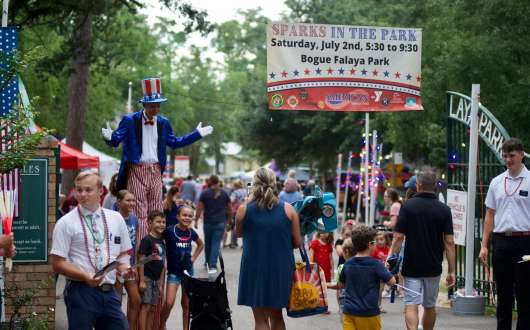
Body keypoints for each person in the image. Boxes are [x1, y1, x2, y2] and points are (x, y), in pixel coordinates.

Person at [102, 77, 213, 225]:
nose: (156, 109)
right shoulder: (130, 120)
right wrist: (109, 137)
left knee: (156, 210)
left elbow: (174, 143)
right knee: (138, 209)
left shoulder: (163, 123)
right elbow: (116, 140)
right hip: (137, 169)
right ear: (145, 104)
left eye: (158, 105)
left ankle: (155, 245)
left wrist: (196, 134)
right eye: (153, 106)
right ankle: (141, 246)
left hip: (155, 170)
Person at [50, 171, 132, 330]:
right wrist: (84, 276)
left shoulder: (116, 218)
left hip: (110, 292)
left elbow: (123, 254)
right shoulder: (65, 222)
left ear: (101, 191)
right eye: (78, 190)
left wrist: (124, 269)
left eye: (88, 190)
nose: (82, 194)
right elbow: (57, 264)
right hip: (80, 292)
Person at [388, 170, 455, 330]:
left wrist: (391, 259)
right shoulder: (444, 210)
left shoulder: (408, 206)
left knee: (411, 305)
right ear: (435, 187)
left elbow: (398, 238)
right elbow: (450, 242)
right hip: (433, 265)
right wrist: (452, 271)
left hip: (412, 265)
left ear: (418, 185)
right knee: (430, 306)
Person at [236, 167, 302, 330]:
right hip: (280, 268)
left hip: (254, 267)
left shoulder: (244, 209)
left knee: (259, 319)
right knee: (277, 316)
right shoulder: (288, 209)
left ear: (255, 185)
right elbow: (297, 243)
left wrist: (248, 200)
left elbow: (238, 234)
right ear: (275, 184)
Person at [479, 138, 530, 330]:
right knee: (504, 294)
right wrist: (484, 245)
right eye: (505, 156)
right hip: (501, 242)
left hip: (525, 242)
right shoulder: (496, 182)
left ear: (521, 155)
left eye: (512, 155)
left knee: (525, 294)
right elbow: (490, 215)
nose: (508, 160)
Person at [339, 225, 396, 330]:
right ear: (370, 245)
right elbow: (392, 281)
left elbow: (341, 285)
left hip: (349, 311)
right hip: (369, 313)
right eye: (375, 242)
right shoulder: (376, 264)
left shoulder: (348, 263)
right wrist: (386, 270)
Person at [160, 205, 204, 330]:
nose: (187, 218)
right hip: (173, 273)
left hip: (188, 273)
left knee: (187, 305)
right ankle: (161, 324)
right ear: (177, 216)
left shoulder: (191, 233)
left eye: (190, 216)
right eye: (184, 215)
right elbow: (158, 240)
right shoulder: (169, 231)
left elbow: (201, 245)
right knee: (168, 303)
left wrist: (193, 258)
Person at [114, 190, 141, 329]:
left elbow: (134, 244)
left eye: (133, 200)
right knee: (116, 303)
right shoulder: (113, 218)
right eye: (128, 200)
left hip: (130, 266)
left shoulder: (134, 219)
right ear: (119, 202)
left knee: (136, 300)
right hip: (116, 267)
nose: (131, 203)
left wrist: (135, 265)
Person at [194, 175, 231, 270]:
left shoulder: (205, 193)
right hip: (220, 223)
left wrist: (196, 220)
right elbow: (229, 209)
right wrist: (229, 221)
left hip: (208, 223)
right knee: (216, 244)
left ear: (209, 182)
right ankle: (212, 265)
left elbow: (199, 208)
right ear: (218, 181)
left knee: (208, 243)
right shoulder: (224, 193)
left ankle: (207, 262)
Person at [138, 211, 166, 330]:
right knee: (146, 307)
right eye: (158, 222)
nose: (162, 224)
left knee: (153, 308)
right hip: (147, 278)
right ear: (150, 223)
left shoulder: (162, 241)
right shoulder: (147, 240)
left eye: (163, 222)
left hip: (157, 280)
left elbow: (162, 263)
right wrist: (142, 280)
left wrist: (160, 283)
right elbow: (141, 260)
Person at [327, 237, 354, 319]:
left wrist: (326, 285)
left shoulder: (343, 267)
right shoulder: (364, 265)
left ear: (346, 252)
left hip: (346, 301)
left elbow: (340, 285)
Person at [229, 179, 246, 248]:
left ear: (235, 186)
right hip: (245, 210)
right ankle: (244, 243)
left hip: (236, 211)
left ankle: (233, 243)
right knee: (245, 226)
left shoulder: (235, 192)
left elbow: (231, 200)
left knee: (234, 226)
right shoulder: (245, 191)